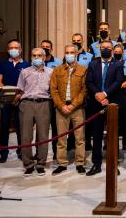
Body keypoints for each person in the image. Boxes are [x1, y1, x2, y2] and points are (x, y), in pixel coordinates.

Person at [85, 40, 124, 176]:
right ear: (99, 49)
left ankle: (113, 163)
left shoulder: (118, 64)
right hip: (96, 103)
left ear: (113, 49)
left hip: (112, 103)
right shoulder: (93, 63)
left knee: (112, 135)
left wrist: (105, 94)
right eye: (103, 48)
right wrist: (97, 95)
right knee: (96, 135)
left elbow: (118, 82)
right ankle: (96, 164)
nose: (105, 49)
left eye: (108, 47)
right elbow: (88, 81)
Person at [50, 45, 87, 175]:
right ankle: (62, 163)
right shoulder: (58, 70)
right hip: (61, 108)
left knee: (80, 138)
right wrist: (61, 106)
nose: (69, 54)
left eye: (72, 52)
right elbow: (53, 90)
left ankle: (80, 163)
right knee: (61, 138)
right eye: (67, 52)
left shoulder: (83, 69)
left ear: (76, 54)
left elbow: (84, 90)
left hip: (77, 108)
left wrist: (73, 105)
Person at [16, 48, 53, 176]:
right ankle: (28, 164)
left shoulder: (50, 72)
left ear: (44, 57)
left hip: (44, 103)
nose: (36, 57)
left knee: (43, 136)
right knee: (26, 136)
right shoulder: (24, 72)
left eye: (39, 55)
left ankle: (41, 164)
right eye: (34, 55)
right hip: (27, 104)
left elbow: (53, 90)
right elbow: (20, 90)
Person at [0, 39, 30, 162]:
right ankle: (3, 152)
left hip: (20, 99)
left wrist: (19, 95)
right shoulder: (3, 63)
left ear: (20, 50)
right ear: (7, 50)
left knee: (21, 126)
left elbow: (28, 84)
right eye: (11, 48)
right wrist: (7, 94)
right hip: (5, 99)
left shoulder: (26, 64)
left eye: (16, 48)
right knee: (4, 126)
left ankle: (21, 151)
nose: (13, 50)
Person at [41, 39, 62, 161]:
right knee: (41, 128)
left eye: (47, 47)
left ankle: (55, 152)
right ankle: (40, 153)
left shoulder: (58, 62)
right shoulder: (36, 63)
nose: (45, 48)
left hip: (54, 100)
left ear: (51, 49)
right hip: (42, 99)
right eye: (43, 46)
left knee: (56, 128)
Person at [113, 45, 126, 150]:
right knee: (111, 120)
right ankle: (110, 141)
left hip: (123, 93)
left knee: (124, 119)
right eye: (116, 51)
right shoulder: (111, 63)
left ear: (122, 52)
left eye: (119, 51)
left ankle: (125, 142)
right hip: (112, 93)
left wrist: (120, 84)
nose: (117, 53)